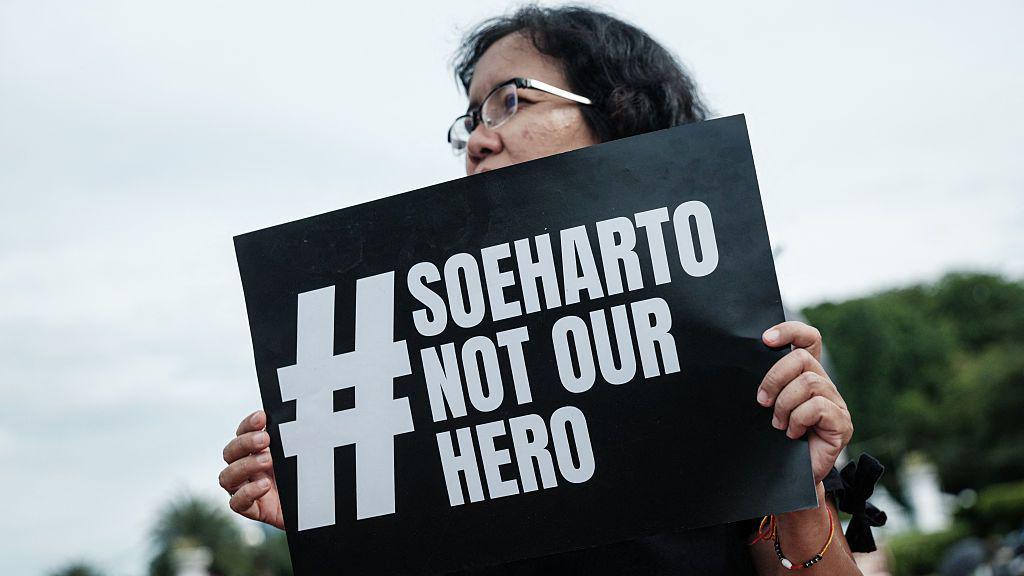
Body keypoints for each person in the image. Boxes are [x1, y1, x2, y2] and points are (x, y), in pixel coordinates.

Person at [219, 6, 883, 574]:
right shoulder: (400, 360)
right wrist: (337, 520)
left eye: (511, 99)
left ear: (620, 116)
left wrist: (802, 490)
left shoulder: (739, 344)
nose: (476, 140)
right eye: (469, 119)